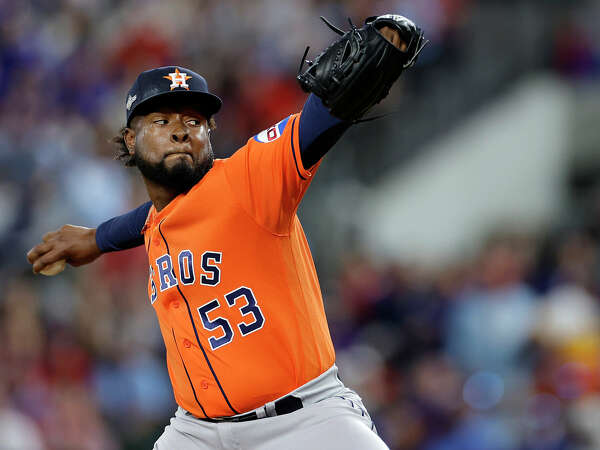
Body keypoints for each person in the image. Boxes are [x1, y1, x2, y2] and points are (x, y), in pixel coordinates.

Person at [28, 16, 420, 449]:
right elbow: (152, 217)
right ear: (130, 140)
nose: (181, 129)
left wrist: (343, 98)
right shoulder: (159, 218)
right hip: (195, 431)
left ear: (210, 134)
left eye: (194, 121)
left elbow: (310, 129)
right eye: (160, 120)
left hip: (303, 421)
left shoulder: (249, 180)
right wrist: (96, 239)